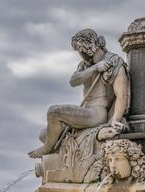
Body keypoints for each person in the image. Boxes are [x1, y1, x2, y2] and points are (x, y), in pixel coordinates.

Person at [28, 29, 130, 159]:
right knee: (44, 135)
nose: (81, 55)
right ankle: (67, 150)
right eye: (79, 51)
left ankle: (48, 149)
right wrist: (95, 68)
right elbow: (73, 81)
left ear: (93, 47)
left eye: (82, 50)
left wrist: (115, 120)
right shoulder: (85, 65)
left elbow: (122, 95)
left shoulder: (114, 62)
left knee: (54, 111)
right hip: (85, 111)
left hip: (97, 113)